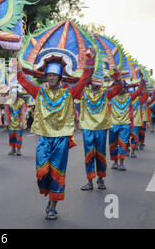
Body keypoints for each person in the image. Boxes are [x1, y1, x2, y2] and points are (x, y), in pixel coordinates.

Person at [17, 47, 97, 220]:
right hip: (43, 137)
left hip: (61, 138)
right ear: (46, 76)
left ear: (60, 77)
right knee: (42, 172)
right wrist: (14, 62)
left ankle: (53, 205)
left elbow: (84, 80)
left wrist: (91, 60)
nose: (51, 78)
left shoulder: (69, 93)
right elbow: (22, 80)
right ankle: (49, 195)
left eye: (54, 75)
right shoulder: (39, 92)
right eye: (49, 75)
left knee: (57, 172)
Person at [78, 68, 122, 191]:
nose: (95, 85)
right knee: (89, 155)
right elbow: (71, 87)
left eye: (97, 83)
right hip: (87, 128)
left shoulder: (105, 92)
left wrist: (117, 75)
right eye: (93, 82)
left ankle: (101, 179)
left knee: (101, 154)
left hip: (101, 128)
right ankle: (90, 181)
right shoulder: (83, 92)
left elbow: (118, 88)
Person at [109, 80, 145, 171]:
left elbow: (138, 92)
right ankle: (115, 162)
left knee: (123, 143)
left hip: (125, 125)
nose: (121, 89)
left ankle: (121, 163)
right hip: (113, 125)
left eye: (123, 88)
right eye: (119, 88)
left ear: (125, 89)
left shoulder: (129, 97)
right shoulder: (111, 97)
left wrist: (142, 84)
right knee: (113, 145)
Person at [4, 87, 27, 156]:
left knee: (18, 136)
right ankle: (13, 149)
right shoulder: (8, 102)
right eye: (12, 94)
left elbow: (23, 113)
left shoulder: (21, 102)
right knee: (11, 136)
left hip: (18, 122)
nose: (14, 95)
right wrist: (6, 122)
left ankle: (18, 150)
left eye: (15, 93)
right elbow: (6, 113)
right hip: (11, 122)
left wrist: (22, 122)